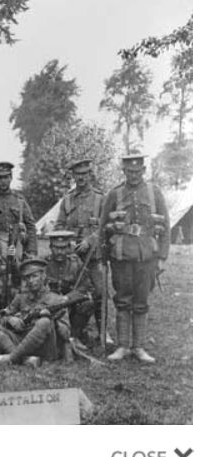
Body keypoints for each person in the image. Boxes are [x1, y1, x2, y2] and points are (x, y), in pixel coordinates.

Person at [100, 154, 169, 363]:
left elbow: (165, 225)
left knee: (141, 300)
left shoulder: (154, 192)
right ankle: (122, 346)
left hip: (147, 255)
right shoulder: (114, 194)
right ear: (124, 171)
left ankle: (139, 347)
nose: (134, 175)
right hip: (121, 255)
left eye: (137, 171)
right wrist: (103, 258)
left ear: (144, 170)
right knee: (123, 299)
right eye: (129, 172)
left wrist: (162, 256)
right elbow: (104, 226)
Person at [55, 158, 108, 343]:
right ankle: (75, 330)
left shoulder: (100, 198)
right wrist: (68, 242)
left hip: (93, 256)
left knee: (99, 293)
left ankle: (103, 332)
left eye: (85, 174)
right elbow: (59, 224)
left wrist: (90, 240)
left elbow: (105, 226)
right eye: (78, 174)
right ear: (73, 176)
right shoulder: (67, 200)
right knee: (72, 291)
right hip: (72, 255)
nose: (81, 177)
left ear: (89, 174)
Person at [0, 259, 71, 366]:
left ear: (43, 276)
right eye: (27, 277)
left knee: (44, 322)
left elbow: (66, 334)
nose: (30, 281)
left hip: (45, 347)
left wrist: (53, 321)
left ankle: (11, 358)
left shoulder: (57, 300)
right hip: (21, 341)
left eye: (34, 276)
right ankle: (23, 359)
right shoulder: (21, 298)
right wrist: (10, 319)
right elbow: (1, 317)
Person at [43, 230, 95, 351]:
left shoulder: (76, 263)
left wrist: (68, 298)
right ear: (50, 247)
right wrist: (54, 300)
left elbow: (85, 286)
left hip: (71, 306)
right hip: (50, 306)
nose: (60, 251)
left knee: (87, 304)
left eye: (63, 248)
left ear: (68, 248)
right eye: (56, 248)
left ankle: (75, 336)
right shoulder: (44, 264)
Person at [0, 162, 37, 258]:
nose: (3, 181)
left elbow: (31, 226)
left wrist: (31, 251)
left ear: (11, 178)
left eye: (6, 177)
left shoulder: (19, 200)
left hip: (17, 245)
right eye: (0, 178)